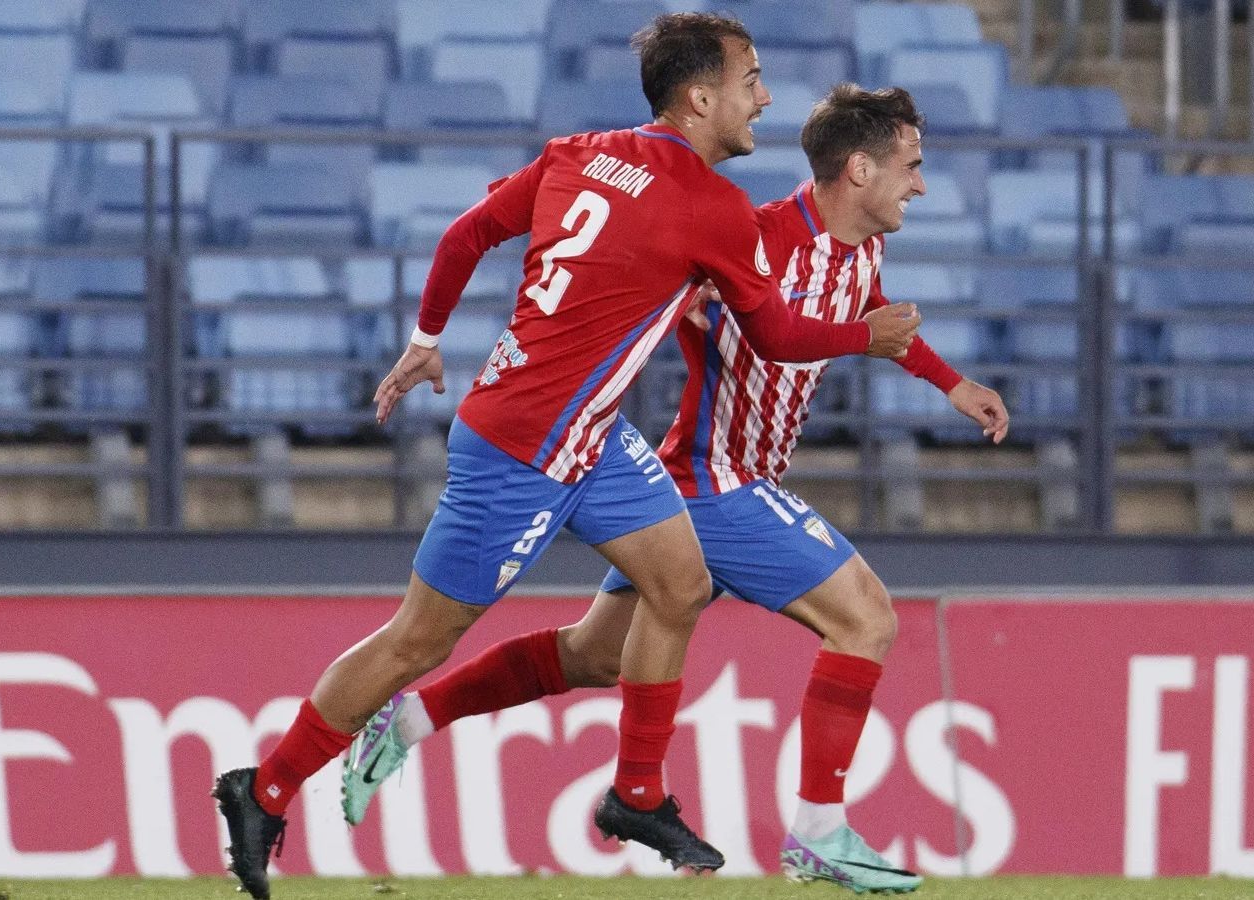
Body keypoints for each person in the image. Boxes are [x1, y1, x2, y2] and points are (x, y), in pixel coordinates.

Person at [211, 13, 922, 899]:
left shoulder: (577, 151)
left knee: (680, 583)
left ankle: (637, 792)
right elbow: (773, 335)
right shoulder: (713, 207)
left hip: (592, 436)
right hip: (525, 447)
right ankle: (265, 786)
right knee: (415, 642)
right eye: (750, 80)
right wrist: (867, 336)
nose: (763, 97)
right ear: (700, 99)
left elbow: (463, 235)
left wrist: (429, 338)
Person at [340, 84, 1010, 893]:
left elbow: (868, 313)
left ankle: (404, 722)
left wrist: (949, 381)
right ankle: (818, 834)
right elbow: (683, 296)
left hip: (685, 489)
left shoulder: (860, 247)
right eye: (912, 166)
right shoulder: (754, 239)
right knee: (866, 618)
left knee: (592, 658)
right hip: (718, 480)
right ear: (859, 169)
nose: (921, 185)